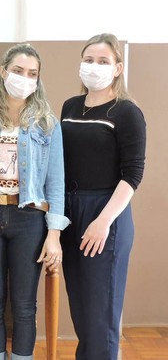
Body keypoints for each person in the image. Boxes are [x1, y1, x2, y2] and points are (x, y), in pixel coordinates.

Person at [0, 43, 69, 360]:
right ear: (3, 72)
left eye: (32, 73)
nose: (24, 78)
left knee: (25, 305)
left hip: (29, 220)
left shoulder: (47, 124)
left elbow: (56, 182)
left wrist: (54, 235)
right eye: (18, 70)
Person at [60, 33, 146, 360]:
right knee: (82, 312)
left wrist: (103, 222)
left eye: (103, 61)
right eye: (89, 60)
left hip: (105, 212)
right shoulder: (70, 106)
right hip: (70, 210)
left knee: (101, 316)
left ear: (117, 68)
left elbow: (132, 174)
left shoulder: (126, 112)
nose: (94, 66)